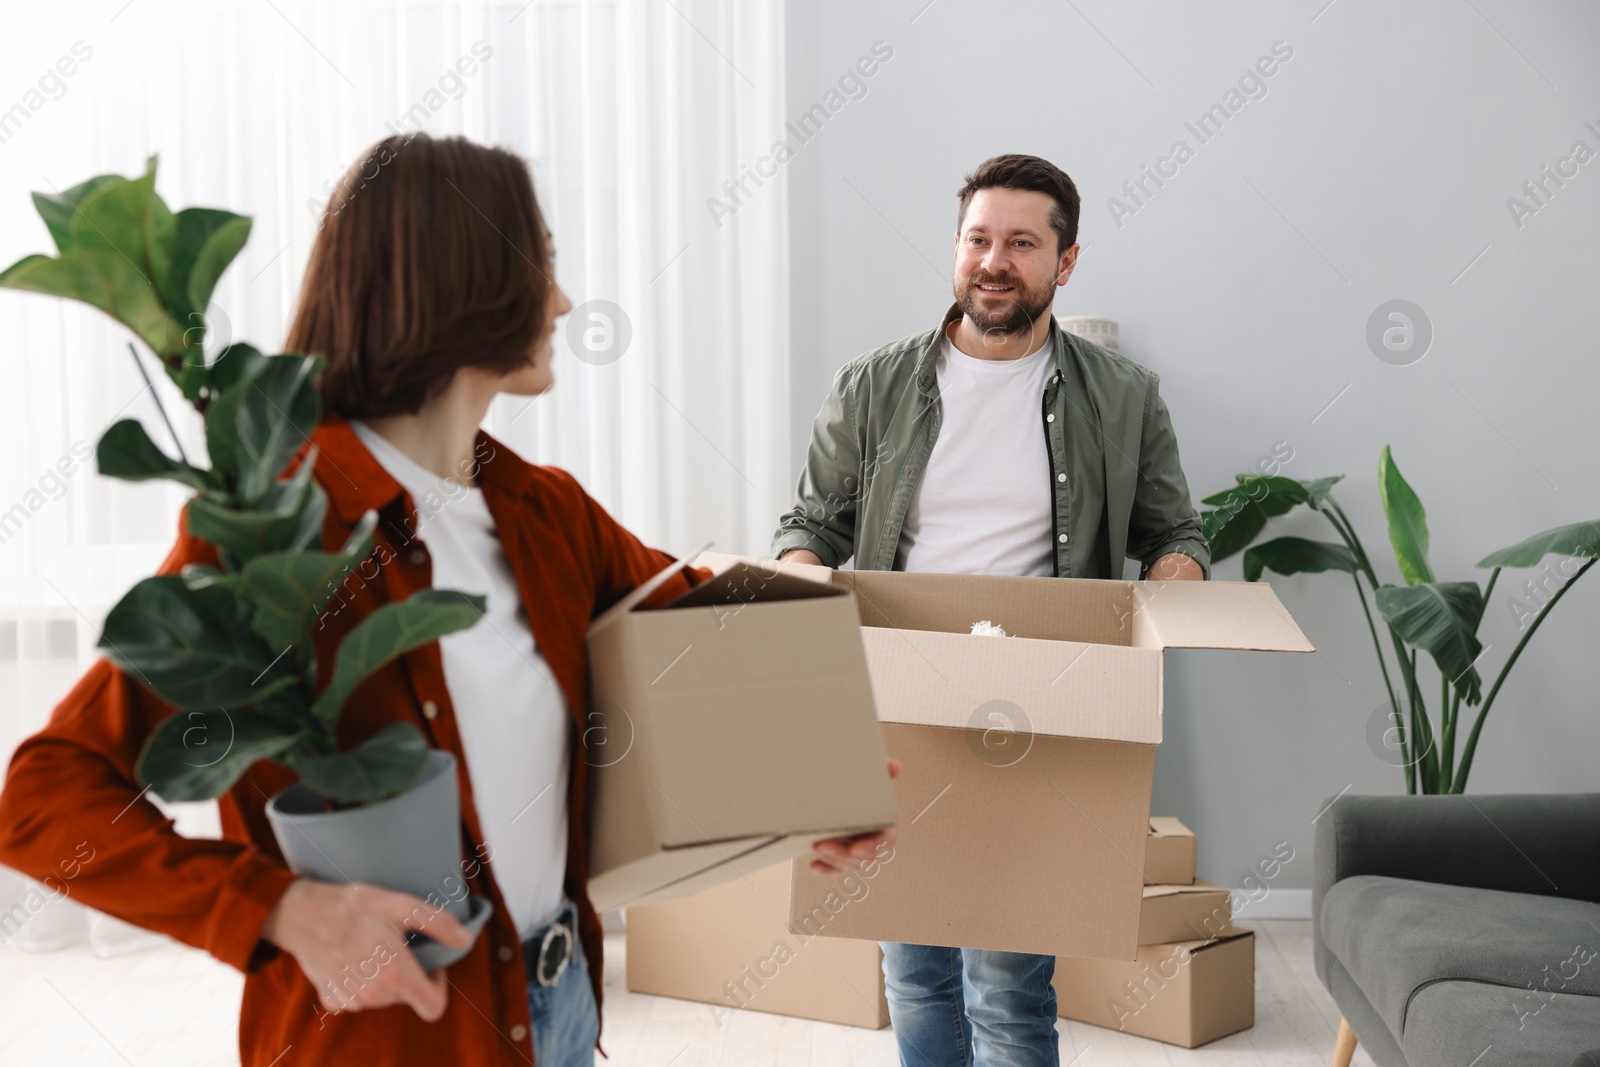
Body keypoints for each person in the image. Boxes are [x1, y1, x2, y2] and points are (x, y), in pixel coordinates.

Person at [0, 132, 868, 1066]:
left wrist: (818, 783)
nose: (566, 302)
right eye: (542, 266)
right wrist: (281, 908)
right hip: (384, 1038)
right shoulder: (274, 525)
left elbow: (706, 632)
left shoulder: (545, 511)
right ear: (463, 280)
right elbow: (44, 800)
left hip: (559, 1007)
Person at [779, 154, 1211, 1067]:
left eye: (1022, 242)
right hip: (899, 693)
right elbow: (812, 520)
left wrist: (1173, 582)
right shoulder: (873, 385)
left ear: (1067, 260)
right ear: (956, 248)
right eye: (980, 239)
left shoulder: (1122, 396)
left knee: (1009, 982)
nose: (995, 261)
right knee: (913, 963)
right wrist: (805, 578)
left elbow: (1175, 529)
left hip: (1036, 701)